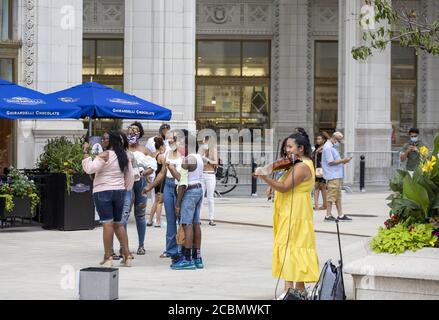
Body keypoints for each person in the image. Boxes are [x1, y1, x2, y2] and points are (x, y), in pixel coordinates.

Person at [254, 131, 320, 298]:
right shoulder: (297, 163)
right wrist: (272, 185)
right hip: (291, 209)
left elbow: (284, 187)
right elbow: (283, 182)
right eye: (286, 147)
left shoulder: (302, 166)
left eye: (290, 147)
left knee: (290, 246)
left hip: (295, 211)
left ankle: (288, 289)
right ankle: (300, 289)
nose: (287, 150)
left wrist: (265, 178)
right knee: (293, 246)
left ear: (301, 148)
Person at [82, 130, 134, 267]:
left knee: (107, 224)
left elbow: (89, 169)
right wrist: (125, 188)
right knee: (118, 224)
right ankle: (127, 255)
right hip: (120, 191)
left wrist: (86, 153)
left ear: (112, 141)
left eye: (106, 139)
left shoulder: (105, 155)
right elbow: (130, 176)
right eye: (103, 139)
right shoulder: (124, 155)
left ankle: (108, 257)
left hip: (103, 191)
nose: (103, 141)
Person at [143, 131, 182, 260]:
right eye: (169, 139)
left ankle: (183, 249)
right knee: (170, 219)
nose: (170, 141)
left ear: (179, 140)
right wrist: (150, 186)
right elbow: (161, 174)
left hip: (181, 186)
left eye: (173, 138)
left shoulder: (184, 155)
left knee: (182, 220)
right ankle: (170, 250)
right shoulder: (167, 154)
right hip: (169, 186)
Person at [170, 130, 204, 270]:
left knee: (186, 224)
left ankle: (187, 258)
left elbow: (182, 183)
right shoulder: (199, 157)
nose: (179, 146)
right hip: (199, 189)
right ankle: (197, 257)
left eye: (182, 143)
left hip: (189, 192)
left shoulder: (186, 160)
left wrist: (177, 204)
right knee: (196, 224)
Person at [122, 122, 157, 255]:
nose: (132, 134)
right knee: (124, 214)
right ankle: (123, 246)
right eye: (130, 132)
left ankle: (141, 245)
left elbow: (152, 167)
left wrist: (142, 173)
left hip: (140, 183)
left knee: (140, 214)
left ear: (140, 134)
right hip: (126, 183)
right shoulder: (122, 149)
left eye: (135, 132)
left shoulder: (144, 150)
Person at [321, 132, 352, 222]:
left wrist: (343, 161)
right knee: (331, 196)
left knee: (338, 196)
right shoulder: (327, 147)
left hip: (336, 175)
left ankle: (340, 215)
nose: (339, 142)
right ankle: (328, 215)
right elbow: (330, 162)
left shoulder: (331, 147)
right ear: (334, 139)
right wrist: (343, 160)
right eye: (339, 140)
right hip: (332, 175)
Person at [198, 136, 219, 226]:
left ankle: (211, 218)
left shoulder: (213, 149)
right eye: (204, 142)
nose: (205, 143)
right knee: (200, 197)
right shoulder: (201, 149)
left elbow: (216, 162)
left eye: (206, 141)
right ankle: (198, 218)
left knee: (210, 198)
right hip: (202, 175)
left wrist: (207, 159)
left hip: (210, 175)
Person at [147, 136, 166, 227]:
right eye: (164, 146)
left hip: (155, 178)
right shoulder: (161, 157)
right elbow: (165, 169)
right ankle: (158, 221)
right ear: (161, 146)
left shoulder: (152, 155)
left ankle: (150, 220)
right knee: (160, 201)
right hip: (161, 179)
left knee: (155, 201)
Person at [312, 134, 327, 211]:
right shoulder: (316, 148)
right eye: (317, 139)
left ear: (324, 140)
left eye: (319, 139)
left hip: (322, 169)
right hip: (316, 169)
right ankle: (316, 205)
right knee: (316, 186)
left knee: (323, 187)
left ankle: (325, 204)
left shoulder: (325, 148)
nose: (318, 140)